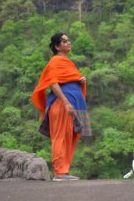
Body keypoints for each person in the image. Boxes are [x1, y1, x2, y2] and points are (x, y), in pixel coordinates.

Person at [31, 33, 92, 181]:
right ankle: (59, 172)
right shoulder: (55, 61)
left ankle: (64, 171)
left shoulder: (67, 62)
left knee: (71, 137)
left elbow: (69, 80)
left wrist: (81, 81)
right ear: (57, 46)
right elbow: (53, 82)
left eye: (68, 40)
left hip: (73, 104)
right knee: (60, 137)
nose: (68, 43)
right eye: (64, 41)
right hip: (63, 104)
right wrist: (66, 103)